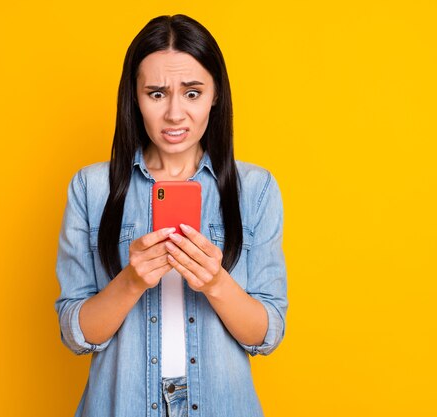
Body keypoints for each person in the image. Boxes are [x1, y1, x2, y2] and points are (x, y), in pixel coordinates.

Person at [54, 14, 288, 417]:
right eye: (157, 93)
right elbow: (75, 335)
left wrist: (216, 282)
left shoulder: (256, 189)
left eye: (193, 93)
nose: (175, 113)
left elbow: (267, 334)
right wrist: (130, 281)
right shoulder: (91, 189)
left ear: (216, 95)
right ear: (134, 97)